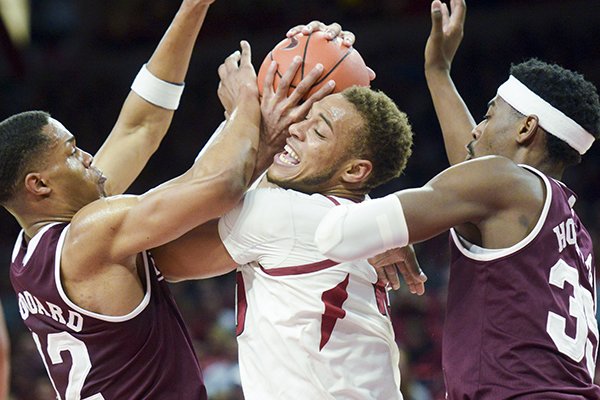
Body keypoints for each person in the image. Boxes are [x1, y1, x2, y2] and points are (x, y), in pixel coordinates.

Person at [315, 0, 600, 398]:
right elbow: (471, 162)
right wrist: (438, 71)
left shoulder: (500, 183)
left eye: (489, 115)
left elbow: (341, 235)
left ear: (526, 128)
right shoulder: (565, 221)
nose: (476, 129)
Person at [0, 0, 275, 397]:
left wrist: (192, 8)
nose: (89, 156)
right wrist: (245, 105)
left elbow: (140, 126)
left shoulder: (31, 252)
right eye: (72, 151)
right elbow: (219, 186)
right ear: (39, 185)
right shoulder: (89, 236)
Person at [151, 75, 426, 398]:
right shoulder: (353, 210)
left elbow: (160, 250)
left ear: (354, 172)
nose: (295, 129)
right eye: (304, 117)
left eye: (318, 131)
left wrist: (240, 119)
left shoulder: (286, 215)